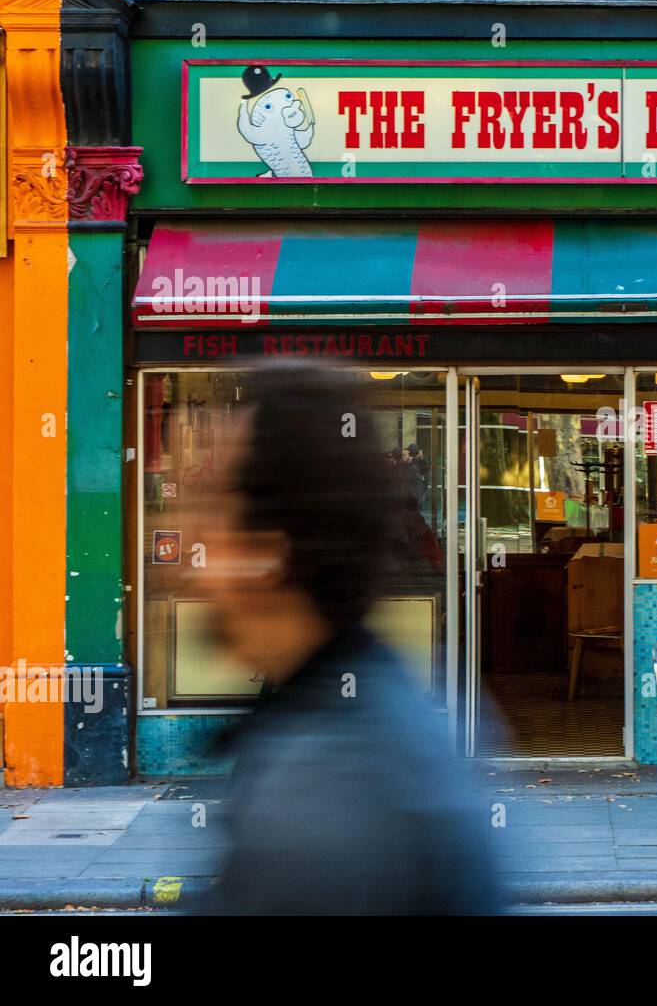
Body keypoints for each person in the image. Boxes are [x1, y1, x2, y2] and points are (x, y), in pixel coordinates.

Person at [190, 364, 497, 915]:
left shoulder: (324, 791)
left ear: (267, 553)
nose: (193, 556)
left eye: (213, 512)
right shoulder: (365, 713)